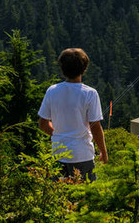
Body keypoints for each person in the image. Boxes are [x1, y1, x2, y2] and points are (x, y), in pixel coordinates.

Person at [38, 48, 108, 182]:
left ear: (62, 68)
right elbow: (95, 126)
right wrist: (103, 152)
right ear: (84, 68)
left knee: (60, 199)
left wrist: (59, 134)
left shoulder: (52, 91)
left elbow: (43, 124)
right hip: (83, 155)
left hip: (58, 155)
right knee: (84, 199)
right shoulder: (90, 93)